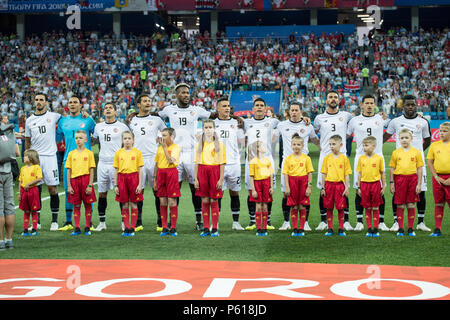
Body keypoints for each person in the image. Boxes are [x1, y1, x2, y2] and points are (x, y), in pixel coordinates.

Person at [384, 94, 431, 232]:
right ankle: (395, 222)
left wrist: (416, 153)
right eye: (408, 105)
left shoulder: (423, 122)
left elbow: (427, 140)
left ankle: (420, 222)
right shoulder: (395, 122)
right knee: (398, 194)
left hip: (417, 164)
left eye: (413, 105)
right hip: (400, 165)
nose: (410, 107)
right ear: (403, 106)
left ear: (416, 106)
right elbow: (385, 137)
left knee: (421, 191)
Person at [347, 94, 390, 232]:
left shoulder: (381, 118)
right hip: (360, 159)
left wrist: (420, 117)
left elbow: (395, 126)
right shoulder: (354, 121)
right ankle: (359, 222)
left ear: (375, 105)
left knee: (380, 191)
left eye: (372, 103)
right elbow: (346, 134)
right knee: (359, 190)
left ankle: (381, 222)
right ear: (362, 105)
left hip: (378, 159)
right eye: (367, 103)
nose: (370, 105)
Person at [314, 91, 353, 231]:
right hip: (325, 157)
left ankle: (346, 221)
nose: (333, 99)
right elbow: (312, 132)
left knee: (343, 188)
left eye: (335, 97)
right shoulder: (319, 118)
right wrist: (320, 146)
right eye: (330, 97)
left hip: (341, 156)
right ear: (326, 100)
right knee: (323, 188)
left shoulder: (346, 115)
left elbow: (359, 119)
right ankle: (323, 220)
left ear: (339, 100)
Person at [277, 102, 319, 231]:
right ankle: (286, 222)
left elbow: (315, 140)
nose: (294, 112)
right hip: (288, 164)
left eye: (296, 110)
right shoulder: (282, 125)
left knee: (304, 195)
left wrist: (324, 150)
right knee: (286, 194)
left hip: (303, 164)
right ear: (289, 112)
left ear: (301, 112)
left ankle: (305, 223)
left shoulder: (308, 126)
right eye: (292, 110)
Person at [56, 95, 96, 231]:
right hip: (69, 159)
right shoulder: (62, 121)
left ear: (80, 105)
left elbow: (97, 135)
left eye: (75, 102)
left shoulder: (88, 120)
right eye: (70, 102)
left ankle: (89, 223)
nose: (72, 104)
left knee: (87, 192)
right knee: (69, 191)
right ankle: (68, 222)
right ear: (68, 105)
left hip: (85, 160)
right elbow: (58, 137)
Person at [128, 94, 166, 232]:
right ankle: (138, 222)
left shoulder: (156, 120)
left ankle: (160, 221)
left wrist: (161, 139)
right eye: (144, 101)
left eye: (149, 101)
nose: (148, 103)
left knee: (157, 189)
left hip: (153, 158)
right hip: (137, 159)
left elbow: (166, 132)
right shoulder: (132, 121)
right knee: (139, 190)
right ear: (139, 104)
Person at [25, 93, 62, 231]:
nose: (39, 102)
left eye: (41, 100)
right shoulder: (29, 120)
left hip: (50, 157)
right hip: (36, 159)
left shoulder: (53, 116)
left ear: (46, 102)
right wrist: (27, 157)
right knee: (36, 190)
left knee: (52, 188)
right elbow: (27, 140)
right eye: (37, 100)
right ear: (34, 102)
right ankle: (37, 221)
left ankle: (54, 221)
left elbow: (66, 116)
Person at [92, 102, 129, 231]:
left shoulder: (122, 126)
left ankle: (124, 222)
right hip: (102, 163)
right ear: (103, 111)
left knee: (120, 193)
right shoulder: (98, 127)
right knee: (102, 193)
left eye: (110, 108)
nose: (108, 110)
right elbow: (93, 141)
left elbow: (128, 143)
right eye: (105, 108)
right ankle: (102, 222)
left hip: (116, 164)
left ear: (115, 111)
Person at [244, 98, 279, 231]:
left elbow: (288, 122)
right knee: (251, 190)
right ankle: (253, 220)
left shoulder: (272, 121)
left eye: (261, 106)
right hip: (251, 161)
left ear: (266, 109)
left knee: (268, 190)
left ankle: (267, 221)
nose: (259, 108)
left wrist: (304, 118)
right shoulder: (246, 122)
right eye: (256, 105)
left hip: (267, 161)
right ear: (252, 109)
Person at [213, 97, 245, 231]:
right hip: (217, 163)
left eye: (228, 106)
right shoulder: (212, 123)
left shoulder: (236, 123)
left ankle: (236, 222)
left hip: (233, 163)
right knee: (217, 193)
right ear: (218, 108)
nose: (227, 108)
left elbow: (243, 141)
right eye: (224, 106)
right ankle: (215, 223)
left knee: (234, 192)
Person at [389, 129, 424, 237]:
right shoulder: (396, 152)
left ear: (411, 139)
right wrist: (392, 183)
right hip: (399, 180)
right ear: (398, 139)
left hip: (412, 180)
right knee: (400, 204)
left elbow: (419, 169)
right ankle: (400, 228)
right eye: (402, 138)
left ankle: (410, 228)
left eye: (406, 138)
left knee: (411, 204)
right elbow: (392, 168)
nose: (404, 140)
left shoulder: (416, 152)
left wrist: (419, 184)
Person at [194, 120, 226, 237]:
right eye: (206, 127)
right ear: (203, 129)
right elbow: (196, 163)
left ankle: (215, 228)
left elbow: (222, 163)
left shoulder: (219, 145)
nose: (208, 130)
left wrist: (220, 179)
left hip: (214, 172)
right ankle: (206, 228)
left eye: (210, 127)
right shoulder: (200, 144)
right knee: (205, 200)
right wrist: (196, 179)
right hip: (202, 172)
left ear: (214, 129)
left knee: (214, 200)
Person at [65, 130, 97, 236]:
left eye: (80, 138)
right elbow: (68, 170)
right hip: (74, 181)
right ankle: (77, 227)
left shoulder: (89, 153)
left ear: (85, 139)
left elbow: (92, 170)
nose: (78, 140)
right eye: (76, 138)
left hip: (86, 180)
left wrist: (90, 185)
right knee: (76, 205)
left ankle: (87, 227)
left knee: (88, 204)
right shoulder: (71, 154)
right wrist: (69, 186)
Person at [282, 134, 314, 237]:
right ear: (291, 145)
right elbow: (286, 173)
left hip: (303, 182)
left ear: (303, 146)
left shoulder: (306, 158)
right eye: (294, 144)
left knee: (302, 205)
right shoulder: (288, 159)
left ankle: (301, 228)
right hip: (292, 183)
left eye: (298, 144)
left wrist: (309, 186)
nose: (296, 146)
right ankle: (295, 228)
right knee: (294, 205)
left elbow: (310, 173)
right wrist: (287, 186)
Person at [113, 131, 144, 237]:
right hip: (122, 179)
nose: (127, 140)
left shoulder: (137, 152)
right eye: (125, 138)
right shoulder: (118, 153)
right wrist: (116, 185)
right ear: (122, 140)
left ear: (133, 140)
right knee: (124, 203)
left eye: (129, 138)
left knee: (134, 203)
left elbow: (140, 170)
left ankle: (132, 228)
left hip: (133, 178)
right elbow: (116, 170)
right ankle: (126, 228)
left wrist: (140, 184)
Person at [320, 135, 352, 237]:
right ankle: (330, 228)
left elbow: (346, 174)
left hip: (339, 186)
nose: (331, 146)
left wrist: (347, 187)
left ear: (341, 145)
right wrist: (323, 187)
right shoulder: (327, 158)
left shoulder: (344, 158)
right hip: (329, 185)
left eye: (334, 144)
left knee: (340, 208)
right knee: (329, 208)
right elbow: (324, 174)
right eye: (330, 144)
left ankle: (341, 228)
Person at [153, 128, 181, 237]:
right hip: (161, 174)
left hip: (171, 173)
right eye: (162, 135)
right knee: (162, 201)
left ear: (171, 137)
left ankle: (173, 227)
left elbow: (171, 161)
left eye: (164, 135)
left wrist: (164, 148)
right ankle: (164, 227)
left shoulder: (176, 147)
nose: (162, 138)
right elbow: (156, 164)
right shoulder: (159, 149)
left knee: (172, 201)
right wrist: (155, 179)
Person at [356, 136, 386, 238]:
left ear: (373, 146)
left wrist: (384, 186)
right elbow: (359, 174)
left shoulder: (379, 158)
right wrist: (359, 187)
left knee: (375, 207)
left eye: (366, 145)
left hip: (376, 184)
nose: (364, 147)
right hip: (364, 185)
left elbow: (382, 173)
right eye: (363, 145)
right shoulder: (361, 159)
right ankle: (369, 228)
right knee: (367, 207)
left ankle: (376, 228)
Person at [426, 122, 450, 237]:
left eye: (445, 131)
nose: (441, 133)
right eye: (440, 131)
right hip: (438, 178)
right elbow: (430, 161)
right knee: (439, 204)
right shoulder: (434, 145)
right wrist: (436, 176)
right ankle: (437, 229)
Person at [249, 141, 274, 237]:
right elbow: (251, 177)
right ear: (258, 149)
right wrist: (253, 190)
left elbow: (271, 174)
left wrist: (271, 186)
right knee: (258, 206)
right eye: (263, 145)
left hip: (266, 183)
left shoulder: (267, 160)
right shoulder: (253, 161)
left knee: (265, 206)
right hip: (257, 184)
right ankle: (259, 228)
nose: (265, 147)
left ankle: (264, 227)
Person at [19, 149, 43, 237]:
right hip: (24, 192)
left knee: (34, 210)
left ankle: (34, 229)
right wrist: (20, 193)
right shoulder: (23, 168)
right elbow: (20, 181)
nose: (24, 157)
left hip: (33, 191)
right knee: (26, 210)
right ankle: (25, 229)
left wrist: (29, 184)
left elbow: (39, 178)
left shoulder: (36, 167)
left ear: (31, 157)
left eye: (25, 156)